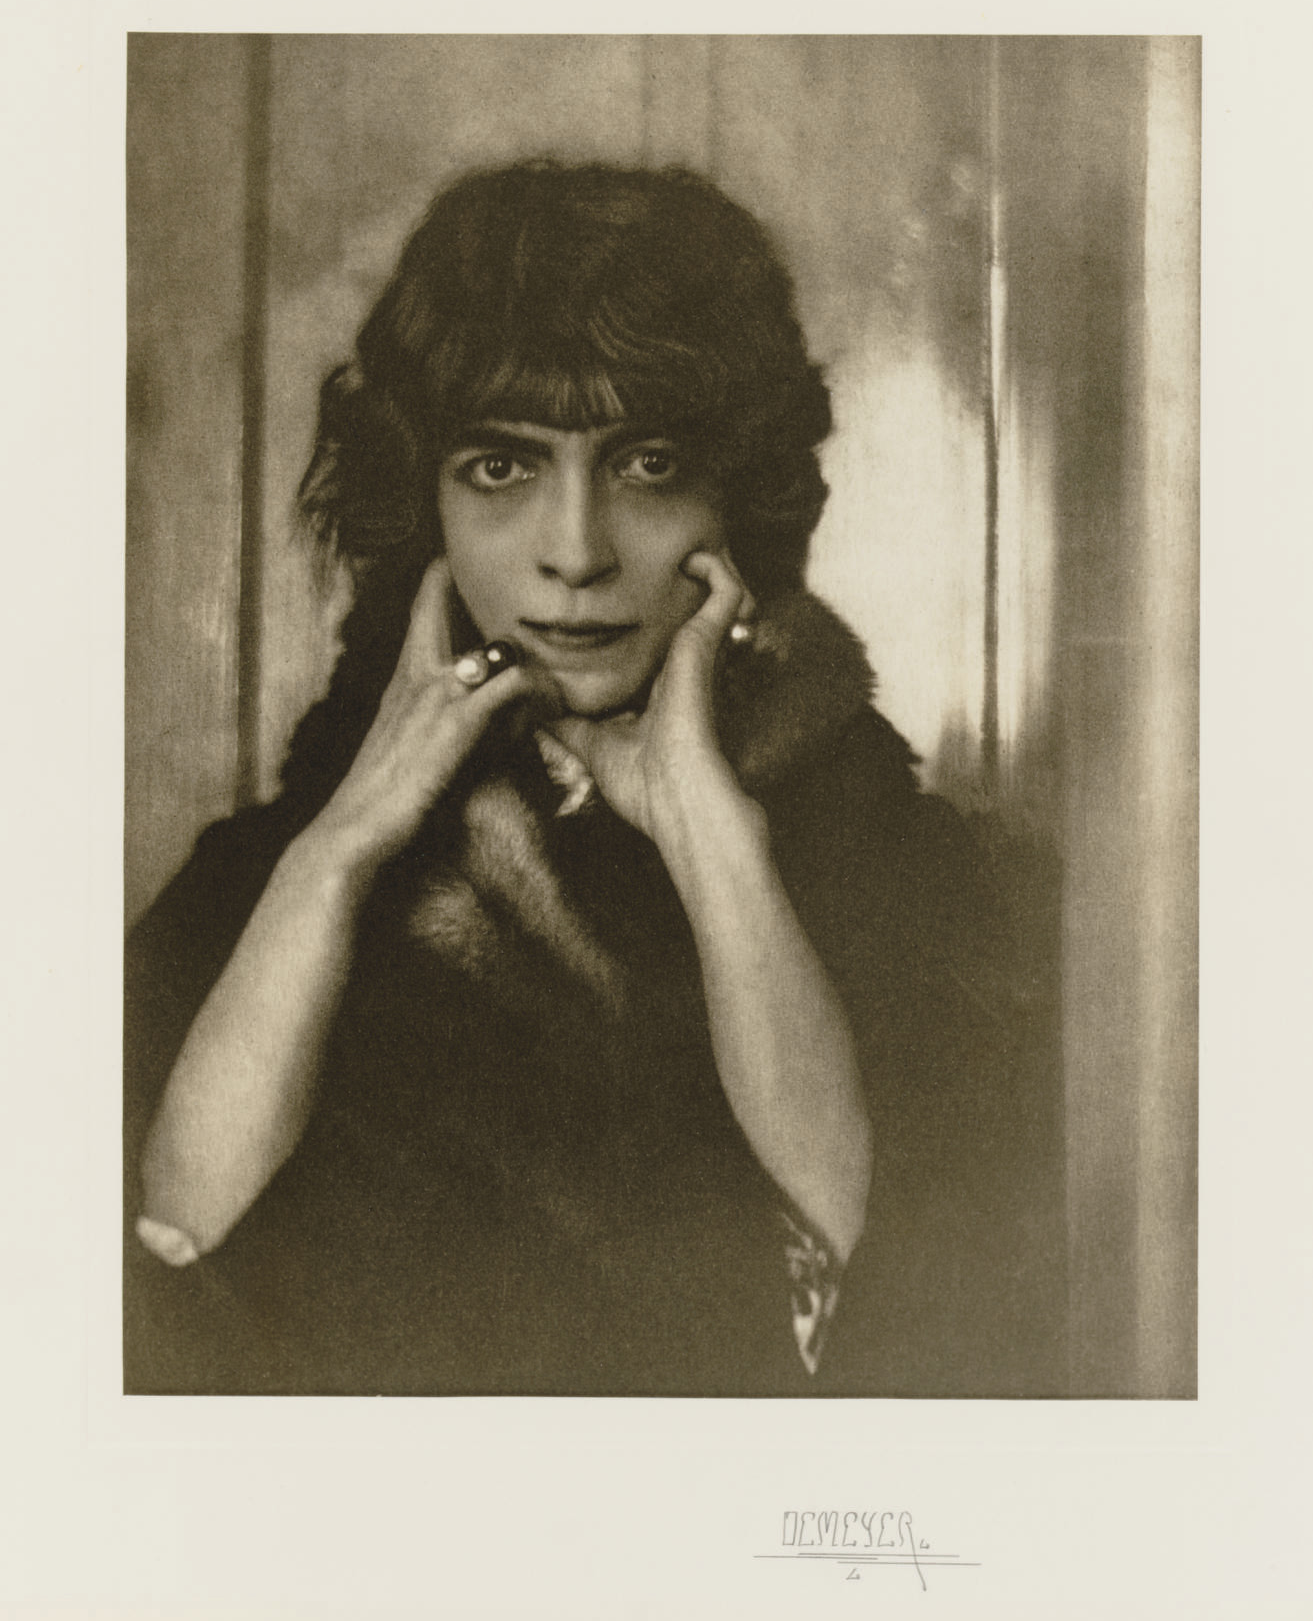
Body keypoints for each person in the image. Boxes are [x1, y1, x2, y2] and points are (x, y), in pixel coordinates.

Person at [124, 160, 1063, 1397]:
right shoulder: (259, 878)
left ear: (736, 498)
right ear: (427, 503)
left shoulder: (918, 878)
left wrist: (710, 832)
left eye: (648, 463)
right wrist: (341, 846)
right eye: (500, 468)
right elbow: (169, 1253)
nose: (574, 552)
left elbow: (895, 1288)